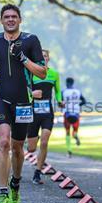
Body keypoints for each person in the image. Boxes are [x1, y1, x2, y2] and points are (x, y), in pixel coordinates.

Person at [0, 4, 46, 203]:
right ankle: (2, 193)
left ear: (20, 20)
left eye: (14, 17)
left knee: (18, 148)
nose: (10, 20)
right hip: (1, 99)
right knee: (4, 142)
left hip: (23, 102)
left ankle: (15, 183)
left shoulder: (30, 40)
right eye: (6, 17)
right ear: (1, 20)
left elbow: (42, 72)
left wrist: (23, 58)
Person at [27, 49, 63, 184]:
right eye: (41, 56)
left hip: (47, 112)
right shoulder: (31, 73)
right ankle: (27, 139)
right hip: (33, 112)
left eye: (46, 56)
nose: (44, 58)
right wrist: (32, 93)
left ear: (49, 58)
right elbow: (25, 90)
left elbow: (58, 91)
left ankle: (37, 172)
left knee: (44, 142)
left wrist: (60, 100)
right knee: (31, 148)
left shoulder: (54, 74)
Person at [62, 77, 86, 157]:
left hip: (67, 113)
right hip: (76, 113)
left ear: (66, 83)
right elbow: (84, 101)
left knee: (67, 132)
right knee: (75, 131)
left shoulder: (64, 92)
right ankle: (75, 136)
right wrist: (77, 105)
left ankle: (69, 150)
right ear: (73, 83)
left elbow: (61, 102)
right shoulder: (78, 91)